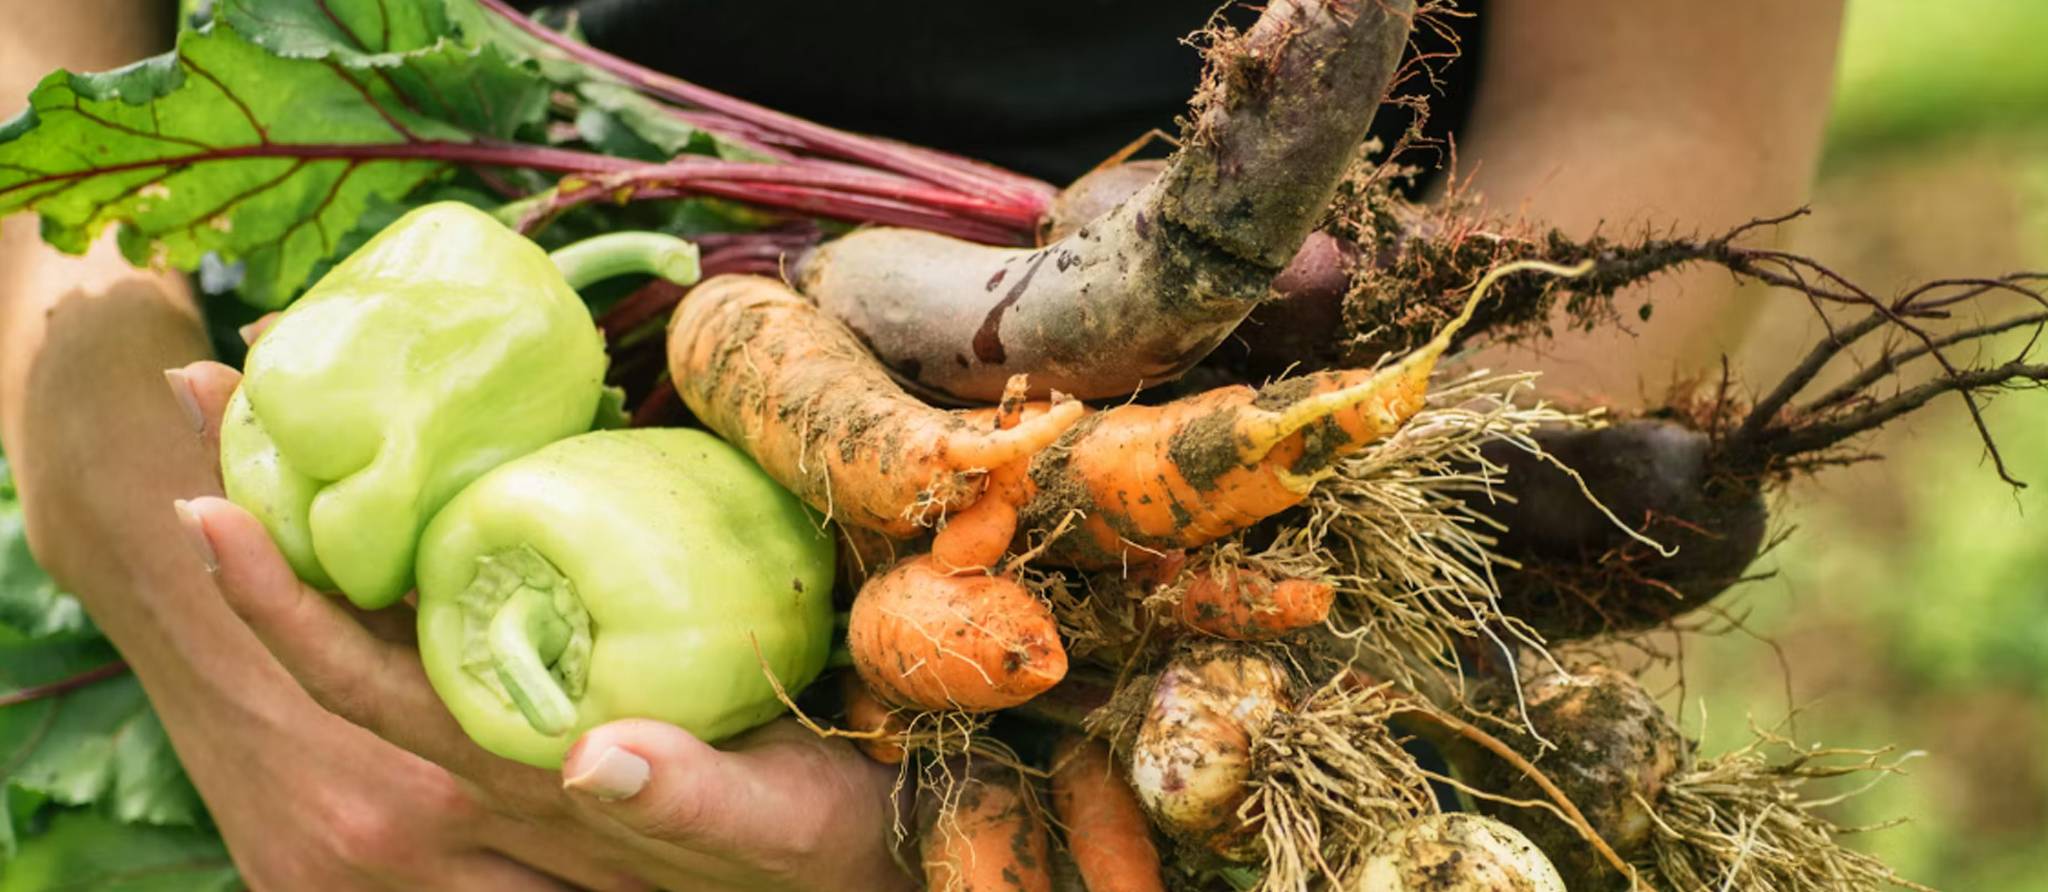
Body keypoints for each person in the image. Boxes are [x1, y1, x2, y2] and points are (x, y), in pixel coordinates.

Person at [0, 2, 1843, 889]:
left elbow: (1667, 96)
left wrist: (1131, 663)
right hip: (353, 673)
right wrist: (90, 441)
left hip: (1246, 635)